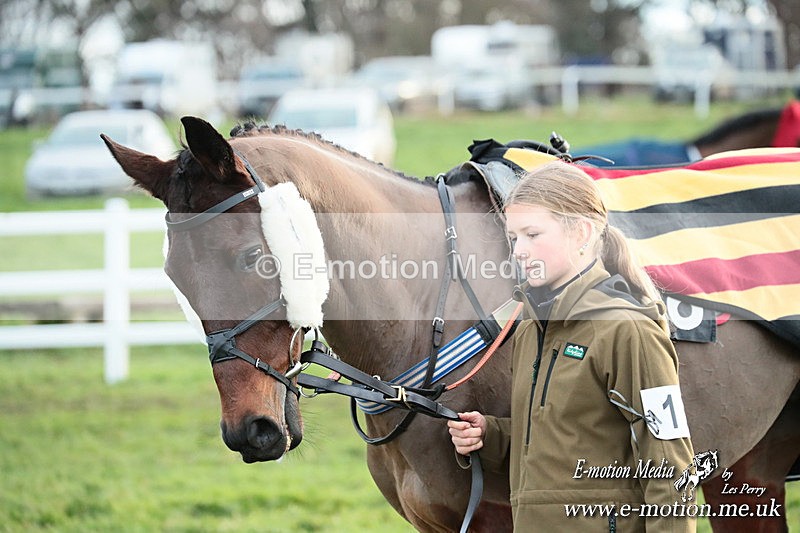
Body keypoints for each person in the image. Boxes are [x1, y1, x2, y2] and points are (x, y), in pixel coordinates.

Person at [448, 160, 696, 531]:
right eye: (514, 238)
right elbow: (563, 439)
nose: (518, 251)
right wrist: (492, 436)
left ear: (581, 232)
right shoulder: (531, 329)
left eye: (532, 234)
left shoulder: (628, 330)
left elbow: (670, 465)